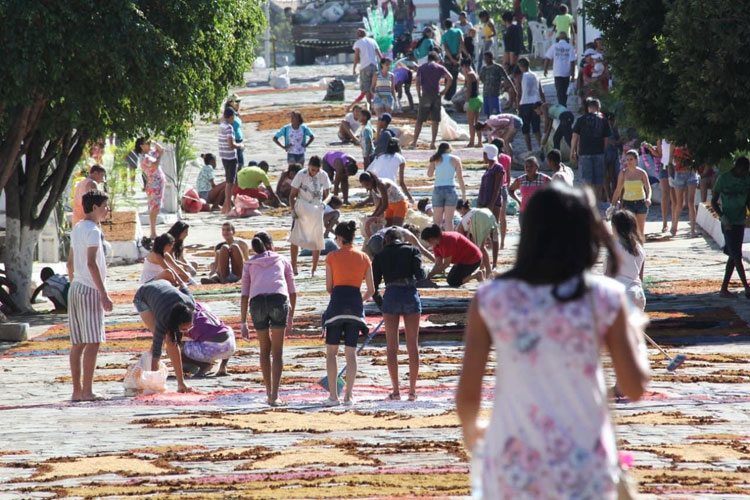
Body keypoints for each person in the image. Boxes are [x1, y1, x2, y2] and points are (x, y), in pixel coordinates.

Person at [456, 183, 650, 499]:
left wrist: (472, 432)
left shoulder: (492, 298)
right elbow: (634, 386)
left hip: (513, 463)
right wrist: (636, 332)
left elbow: (468, 392)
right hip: (583, 462)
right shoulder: (604, 297)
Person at [240, 231, 297, 406]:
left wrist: (243, 322)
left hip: (257, 303)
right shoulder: (282, 260)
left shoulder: (249, 264)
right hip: (278, 301)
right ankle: (275, 395)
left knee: (264, 349)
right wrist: (291, 316)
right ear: (272, 245)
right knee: (277, 351)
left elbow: (244, 294)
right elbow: (292, 291)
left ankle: (267, 392)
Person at [67, 190, 113, 402]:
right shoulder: (92, 231)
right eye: (105, 206)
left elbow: (70, 262)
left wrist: (74, 282)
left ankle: (77, 391)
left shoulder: (77, 228)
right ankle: (87, 390)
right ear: (95, 207)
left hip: (76, 287)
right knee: (93, 341)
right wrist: (103, 293)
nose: (107, 210)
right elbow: (91, 263)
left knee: (78, 343)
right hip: (89, 289)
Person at [323, 221, 375, 405]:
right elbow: (371, 289)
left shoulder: (331, 257)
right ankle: (349, 395)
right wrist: (358, 300)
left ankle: (333, 396)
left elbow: (329, 287)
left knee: (331, 352)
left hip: (337, 304)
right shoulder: (364, 258)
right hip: (355, 305)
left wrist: (339, 296)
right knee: (351, 353)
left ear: (338, 238)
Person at [372, 228, 426, 401]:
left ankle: (395, 391)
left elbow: (373, 286)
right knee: (412, 345)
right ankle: (412, 391)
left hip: (391, 295)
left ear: (386, 241)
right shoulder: (412, 250)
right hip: (410, 293)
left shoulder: (380, 255)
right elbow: (421, 275)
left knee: (391, 347)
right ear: (401, 239)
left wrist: (382, 304)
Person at [134, 279, 196, 393]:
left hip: (163, 284)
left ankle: (181, 383)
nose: (186, 332)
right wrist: (154, 383)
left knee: (172, 340)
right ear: (175, 323)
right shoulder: (163, 318)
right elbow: (157, 348)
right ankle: (150, 376)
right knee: (163, 339)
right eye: (184, 329)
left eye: (189, 327)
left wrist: (178, 278)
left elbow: (184, 288)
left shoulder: (191, 304)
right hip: (143, 296)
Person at [711, 156, 750, 298]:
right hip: (727, 222)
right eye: (743, 171)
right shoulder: (723, 179)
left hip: (740, 221)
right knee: (737, 255)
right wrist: (722, 216)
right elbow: (714, 201)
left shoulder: (747, 178)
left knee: (733, 255)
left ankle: (723, 288)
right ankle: (747, 287)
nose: (744, 174)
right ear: (737, 167)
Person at [289, 156, 331, 276]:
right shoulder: (301, 174)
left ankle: (314, 269)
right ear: (309, 166)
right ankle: (294, 266)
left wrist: (324, 203)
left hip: (316, 207)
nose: (315, 172)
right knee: (295, 237)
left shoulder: (323, 175)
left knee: (316, 238)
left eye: (317, 170)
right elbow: (292, 195)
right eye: (313, 170)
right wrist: (292, 210)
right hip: (302, 206)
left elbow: (329, 194)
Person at [571, 98, 611, 202]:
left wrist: (572, 151)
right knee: (598, 179)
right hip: (599, 152)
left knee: (586, 179)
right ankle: (596, 201)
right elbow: (606, 138)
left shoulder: (580, 119)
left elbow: (575, 136)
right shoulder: (603, 120)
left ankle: (588, 202)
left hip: (584, 153)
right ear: (599, 108)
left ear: (588, 108)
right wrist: (604, 150)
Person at [410, 52, 453, 150]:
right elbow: (450, 78)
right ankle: (433, 143)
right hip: (436, 95)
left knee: (420, 120)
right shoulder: (439, 67)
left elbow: (417, 83)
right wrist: (444, 91)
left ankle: (414, 142)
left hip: (426, 95)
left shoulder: (422, 67)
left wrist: (419, 95)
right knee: (435, 121)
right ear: (437, 59)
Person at [607, 210, 646, 311]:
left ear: (615, 226)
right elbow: (640, 278)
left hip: (621, 295)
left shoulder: (614, 248)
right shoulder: (640, 248)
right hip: (638, 294)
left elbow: (608, 277)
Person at [610, 149, 651, 241]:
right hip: (627, 203)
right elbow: (618, 190)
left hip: (641, 202)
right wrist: (612, 205)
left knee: (640, 230)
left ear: (636, 160)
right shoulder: (623, 173)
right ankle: (631, 252)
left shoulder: (642, 173)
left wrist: (648, 198)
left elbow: (648, 188)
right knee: (629, 230)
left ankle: (641, 251)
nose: (629, 162)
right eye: (627, 159)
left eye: (631, 159)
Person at [428, 142, 467, 231]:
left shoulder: (435, 158)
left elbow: (429, 174)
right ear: (449, 149)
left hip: (438, 189)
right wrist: (464, 193)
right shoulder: (455, 159)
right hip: (450, 189)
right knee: (449, 221)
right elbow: (460, 178)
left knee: (437, 221)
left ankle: (437, 242)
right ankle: (450, 242)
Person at [456, 200, 499, 277]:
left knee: (481, 247)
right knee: (491, 241)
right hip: (489, 214)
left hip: (479, 218)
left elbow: (463, 237)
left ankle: (488, 271)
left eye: (459, 212)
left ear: (462, 208)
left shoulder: (465, 219)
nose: (461, 214)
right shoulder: (475, 210)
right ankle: (486, 268)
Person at [476, 144, 507, 248]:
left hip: (492, 203)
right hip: (483, 201)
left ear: (487, 154)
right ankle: (486, 247)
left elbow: (497, 189)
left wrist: (491, 204)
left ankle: (494, 251)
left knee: (492, 228)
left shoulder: (498, 168)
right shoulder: (489, 168)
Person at [135, 138, 166, 240]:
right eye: (146, 144)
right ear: (141, 146)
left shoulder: (149, 154)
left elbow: (161, 149)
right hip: (154, 184)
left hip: (157, 183)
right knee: (154, 207)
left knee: (156, 207)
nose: (149, 145)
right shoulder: (144, 157)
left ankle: (153, 231)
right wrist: (160, 157)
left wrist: (152, 142)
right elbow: (155, 165)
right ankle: (152, 232)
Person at [368, 139, 415, 205]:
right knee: (391, 210)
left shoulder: (380, 156)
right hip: (389, 187)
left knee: (379, 212)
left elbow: (369, 171)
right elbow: (401, 183)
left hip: (376, 186)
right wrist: (410, 197)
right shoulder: (401, 158)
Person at [509, 157, 552, 226]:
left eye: (531, 166)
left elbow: (556, 189)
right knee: (525, 234)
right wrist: (519, 201)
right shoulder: (521, 180)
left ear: (537, 167)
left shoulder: (544, 179)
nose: (528, 169)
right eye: (526, 167)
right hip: (524, 212)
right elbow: (510, 190)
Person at [218, 108, 244, 215]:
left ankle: (225, 206)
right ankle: (228, 207)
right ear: (231, 117)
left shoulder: (222, 126)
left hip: (224, 156)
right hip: (230, 157)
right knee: (230, 182)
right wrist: (240, 147)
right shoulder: (229, 127)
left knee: (229, 181)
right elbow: (230, 144)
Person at [364, 223, 434, 262]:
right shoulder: (408, 234)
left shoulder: (395, 229)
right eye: (417, 237)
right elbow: (423, 251)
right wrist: (436, 262)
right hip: (380, 241)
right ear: (415, 234)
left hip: (371, 242)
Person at [670, 146, 699, 237]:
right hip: (679, 173)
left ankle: (692, 230)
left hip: (691, 172)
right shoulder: (674, 143)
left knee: (691, 202)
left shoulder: (692, 142)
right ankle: (674, 226)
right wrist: (670, 175)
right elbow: (670, 160)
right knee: (679, 203)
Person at [517, 57, 544, 151]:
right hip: (536, 103)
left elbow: (519, 93)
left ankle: (529, 150)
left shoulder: (520, 77)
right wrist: (543, 104)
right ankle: (541, 148)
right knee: (537, 130)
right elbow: (541, 91)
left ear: (520, 66)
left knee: (526, 130)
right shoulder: (536, 75)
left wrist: (517, 106)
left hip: (524, 104)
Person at [352, 28, 383, 110]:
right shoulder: (373, 41)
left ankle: (369, 106)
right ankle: (377, 104)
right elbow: (379, 54)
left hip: (364, 66)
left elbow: (356, 56)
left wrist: (354, 68)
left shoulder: (358, 43)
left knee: (366, 88)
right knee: (374, 86)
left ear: (358, 35)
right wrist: (383, 65)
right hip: (374, 66)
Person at [543, 32, 576, 107]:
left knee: (559, 91)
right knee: (565, 91)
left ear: (558, 39)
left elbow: (547, 58)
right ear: (567, 39)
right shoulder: (569, 47)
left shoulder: (554, 46)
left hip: (557, 72)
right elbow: (572, 62)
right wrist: (573, 75)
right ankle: (563, 105)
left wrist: (545, 69)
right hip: (566, 73)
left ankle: (562, 106)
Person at [479, 51, 512, 119]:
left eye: (487, 58)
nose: (486, 60)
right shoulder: (484, 69)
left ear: (491, 58)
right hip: (486, 94)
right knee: (488, 114)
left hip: (494, 94)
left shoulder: (498, 68)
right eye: (484, 58)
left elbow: (506, 78)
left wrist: (513, 88)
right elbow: (481, 78)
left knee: (496, 114)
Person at [491, 139, 511, 248]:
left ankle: (494, 242)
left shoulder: (492, 159)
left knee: (493, 217)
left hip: (493, 189)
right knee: (503, 217)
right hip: (503, 188)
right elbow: (508, 177)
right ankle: (502, 242)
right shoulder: (507, 158)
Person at [441, 19, 466, 101]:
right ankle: (453, 95)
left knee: (447, 76)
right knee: (454, 77)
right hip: (457, 56)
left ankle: (447, 95)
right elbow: (461, 42)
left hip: (448, 57)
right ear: (452, 24)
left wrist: (451, 58)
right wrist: (459, 53)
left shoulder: (444, 35)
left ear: (445, 26)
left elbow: (446, 48)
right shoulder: (458, 31)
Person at [461, 58, 482, 147]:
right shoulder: (475, 73)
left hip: (472, 99)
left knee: (471, 123)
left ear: (464, 66)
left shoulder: (469, 75)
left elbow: (469, 89)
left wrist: (467, 102)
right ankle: (480, 142)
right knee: (477, 122)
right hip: (478, 98)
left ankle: (472, 142)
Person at [225, 94, 245, 168]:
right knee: (239, 164)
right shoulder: (229, 114)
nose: (238, 103)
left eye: (239, 101)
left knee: (240, 162)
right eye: (236, 101)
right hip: (234, 141)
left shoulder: (235, 113)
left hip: (239, 140)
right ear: (230, 103)